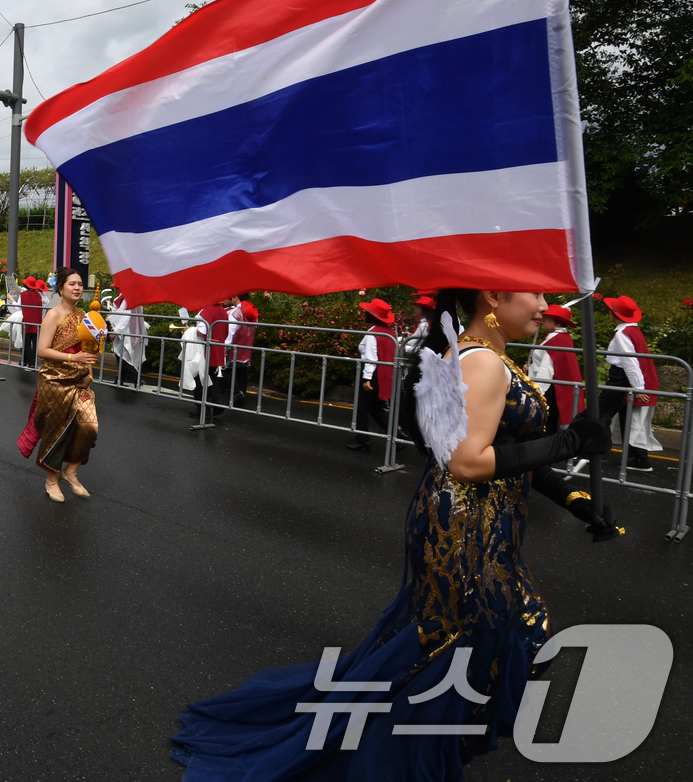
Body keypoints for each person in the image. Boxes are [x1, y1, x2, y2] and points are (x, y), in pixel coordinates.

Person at [172, 288, 621, 779]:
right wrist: (570, 441)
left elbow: (515, 453)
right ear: (492, 295)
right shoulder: (482, 363)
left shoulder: (490, 357)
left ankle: (415, 748)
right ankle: (400, 758)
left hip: (486, 522)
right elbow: (468, 461)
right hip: (465, 526)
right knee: (493, 638)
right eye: (535, 293)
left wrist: (579, 503)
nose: (543, 305)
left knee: (472, 640)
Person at [24, 267, 98, 502]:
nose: (77, 288)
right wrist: (72, 359)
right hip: (54, 381)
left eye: (80, 284)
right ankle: (51, 480)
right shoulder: (54, 315)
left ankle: (71, 472)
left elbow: (87, 349)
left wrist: (89, 373)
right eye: (72, 284)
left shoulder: (83, 314)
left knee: (89, 426)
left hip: (78, 381)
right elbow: (43, 350)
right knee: (57, 432)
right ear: (61, 288)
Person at [600, 295, 661, 472]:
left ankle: (639, 458)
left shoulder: (622, 334)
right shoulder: (632, 330)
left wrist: (638, 389)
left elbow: (630, 362)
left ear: (613, 314)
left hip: (627, 378)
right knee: (630, 419)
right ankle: (637, 456)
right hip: (636, 379)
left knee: (614, 414)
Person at [348, 297, 397, 451]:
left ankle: (363, 440)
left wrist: (366, 378)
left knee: (362, 407)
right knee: (375, 408)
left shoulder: (373, 334)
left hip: (374, 372)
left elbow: (371, 358)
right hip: (385, 372)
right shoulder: (389, 332)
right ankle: (398, 437)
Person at [525, 303, 581, 429]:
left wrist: (537, 393)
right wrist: (532, 368)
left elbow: (547, 369)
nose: (543, 320)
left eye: (547, 318)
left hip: (549, 388)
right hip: (553, 385)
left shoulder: (556, 340)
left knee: (546, 424)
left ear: (557, 323)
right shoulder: (558, 337)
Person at [198, 298, 234, 416]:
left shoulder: (207, 311)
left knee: (203, 379)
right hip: (217, 346)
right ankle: (214, 404)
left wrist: (190, 331)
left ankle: (207, 408)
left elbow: (202, 331)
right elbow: (226, 332)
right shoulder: (223, 311)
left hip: (207, 348)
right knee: (211, 377)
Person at [225, 296, 259, 406]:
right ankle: (242, 397)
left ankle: (235, 395)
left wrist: (225, 346)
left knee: (227, 372)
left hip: (235, 347)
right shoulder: (252, 311)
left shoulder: (235, 312)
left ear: (236, 297)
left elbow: (231, 332)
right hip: (247, 347)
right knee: (242, 373)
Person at [19, 276, 44, 367]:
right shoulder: (39, 296)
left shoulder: (23, 295)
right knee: (35, 343)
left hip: (26, 322)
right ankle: (32, 360)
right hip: (37, 322)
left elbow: (17, 307)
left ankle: (30, 362)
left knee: (26, 343)